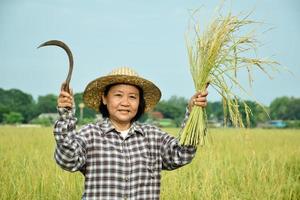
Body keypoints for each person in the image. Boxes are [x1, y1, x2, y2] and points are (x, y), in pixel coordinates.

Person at [54, 67, 208, 200]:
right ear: (105, 98)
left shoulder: (153, 137)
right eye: (118, 95)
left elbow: (182, 154)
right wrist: (66, 114)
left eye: (132, 97)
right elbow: (68, 160)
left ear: (139, 102)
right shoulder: (90, 135)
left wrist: (193, 113)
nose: (125, 102)